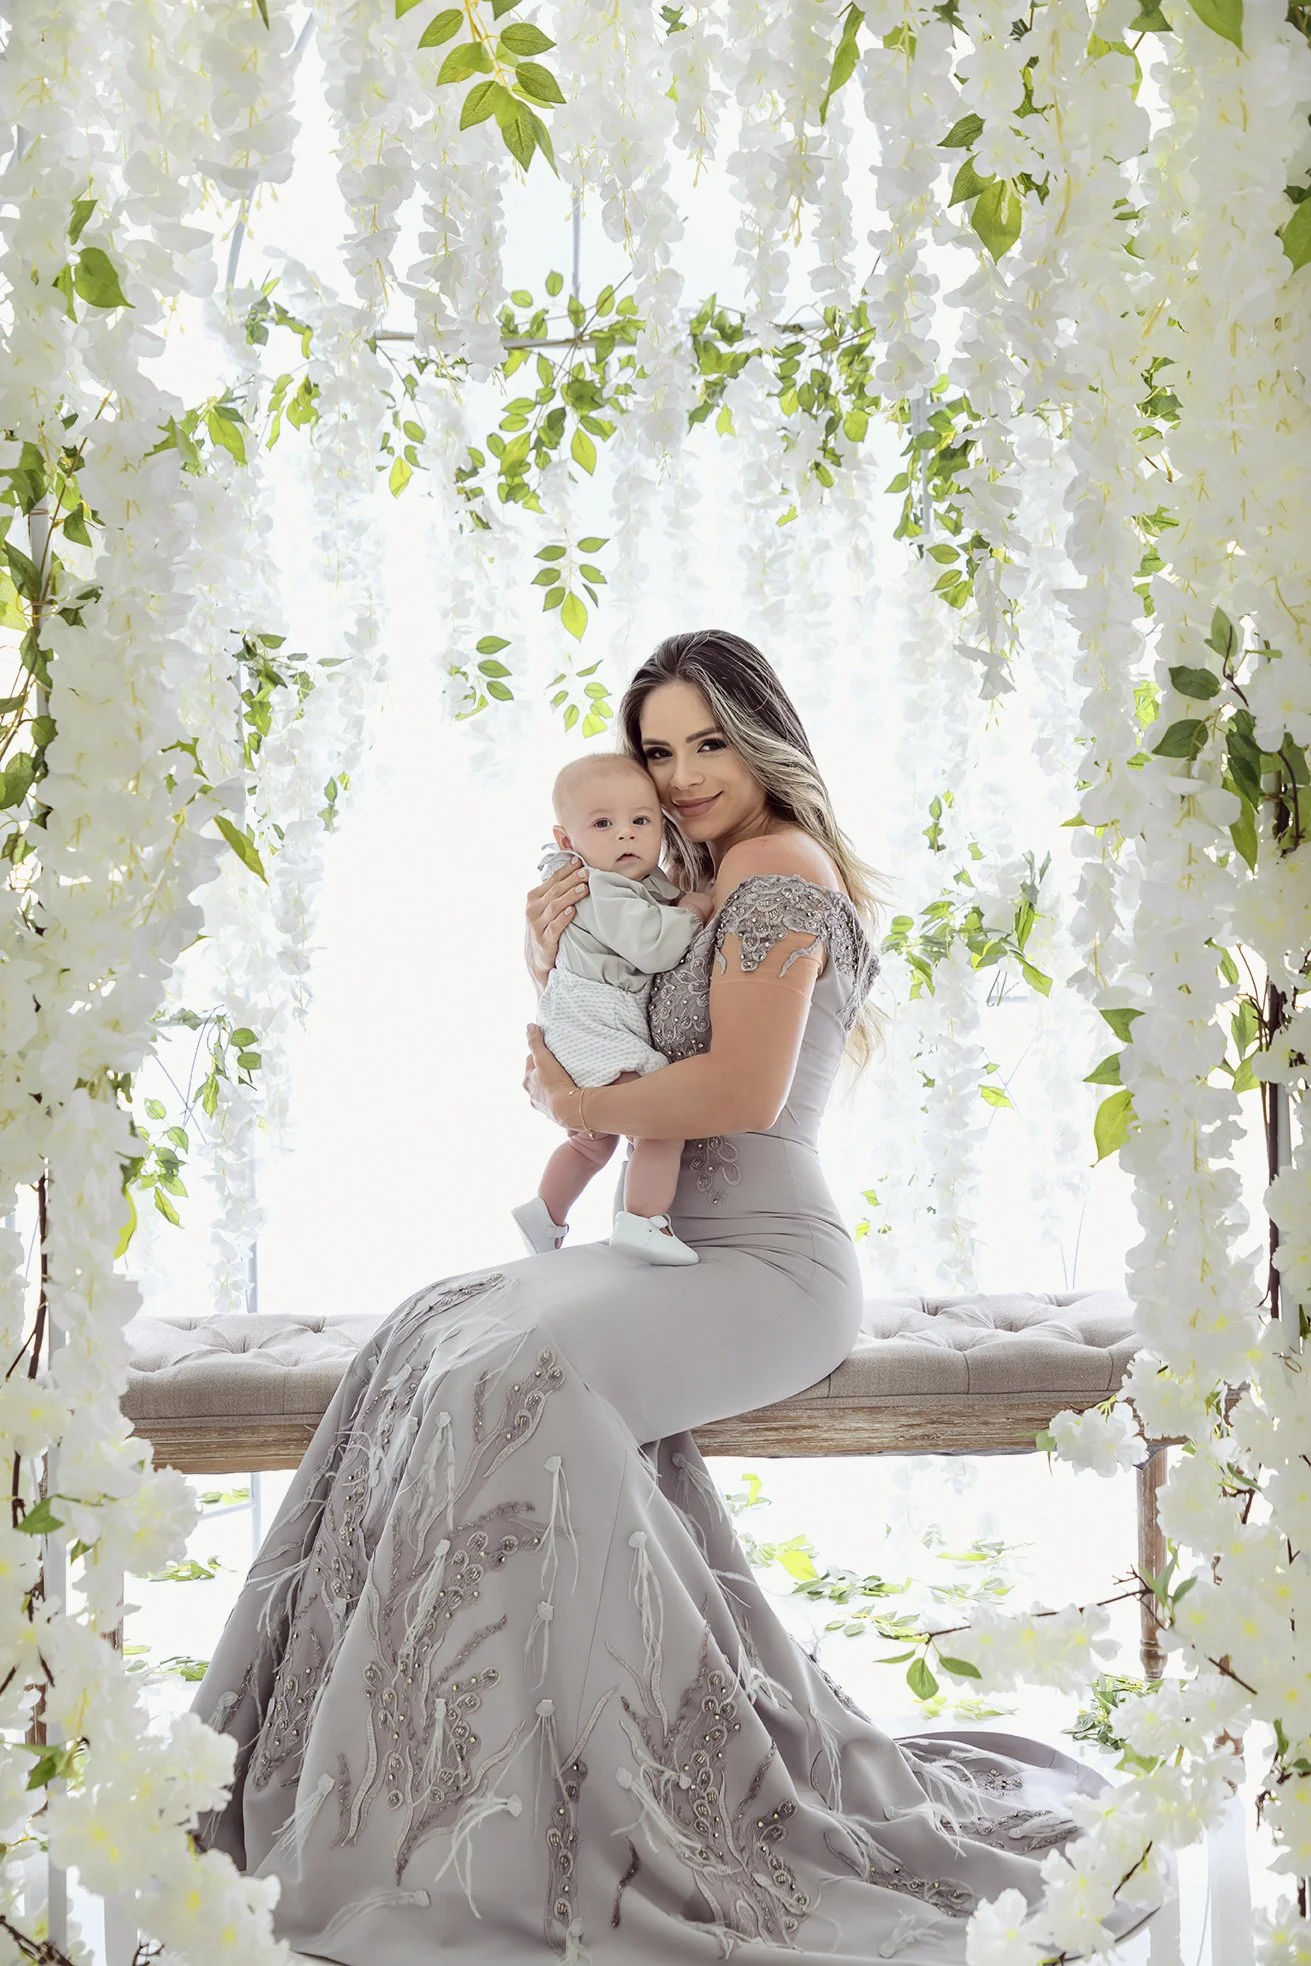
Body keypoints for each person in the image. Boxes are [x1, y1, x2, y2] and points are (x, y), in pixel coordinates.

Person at [190, 629, 1156, 1962]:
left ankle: (508, 1815)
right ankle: (415, 1783)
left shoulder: (778, 868)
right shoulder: (678, 877)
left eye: (709, 742)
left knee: (507, 1374)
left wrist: (574, 1106)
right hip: (663, 1249)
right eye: (659, 749)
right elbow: (614, 1039)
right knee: (435, 1327)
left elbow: (738, 1094)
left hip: (765, 1265)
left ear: (763, 739)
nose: (685, 772)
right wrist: (552, 953)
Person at [513, 753, 713, 1268]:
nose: (626, 834)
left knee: (591, 1143)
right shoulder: (597, 886)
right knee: (657, 1123)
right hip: (594, 1018)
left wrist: (679, 899)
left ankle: (543, 1215)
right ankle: (643, 1221)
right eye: (603, 824)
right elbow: (654, 947)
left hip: (579, 1017)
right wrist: (693, 910)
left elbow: (658, 901)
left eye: (641, 821)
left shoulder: (633, 880)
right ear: (566, 840)